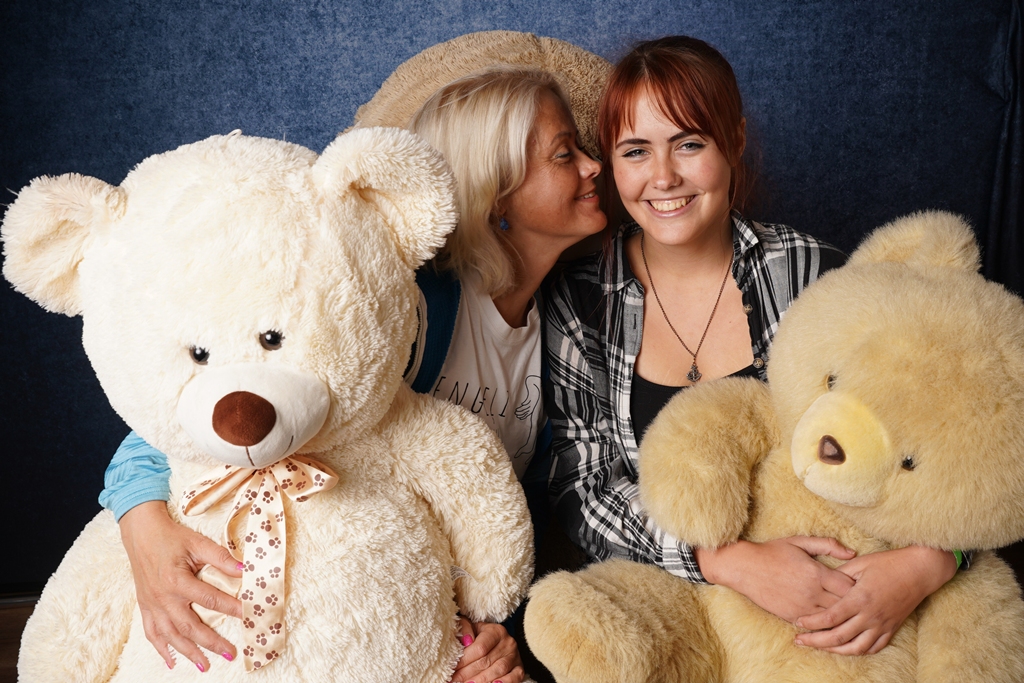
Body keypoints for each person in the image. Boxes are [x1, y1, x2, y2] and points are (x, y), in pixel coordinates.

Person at [100, 67, 605, 681]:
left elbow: (514, 518)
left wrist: (498, 631)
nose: (594, 166)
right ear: (496, 192)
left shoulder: (567, 320)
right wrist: (144, 531)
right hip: (301, 614)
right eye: (565, 154)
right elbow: (175, 429)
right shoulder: (409, 309)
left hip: (427, 624)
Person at [545, 35, 963, 657]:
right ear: (611, 161)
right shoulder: (580, 300)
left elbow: (951, 435)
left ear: (734, 141)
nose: (664, 177)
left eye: (690, 143)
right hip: (679, 621)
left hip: (839, 613)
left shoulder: (812, 273)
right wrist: (726, 561)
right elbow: (582, 491)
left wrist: (929, 563)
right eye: (636, 151)